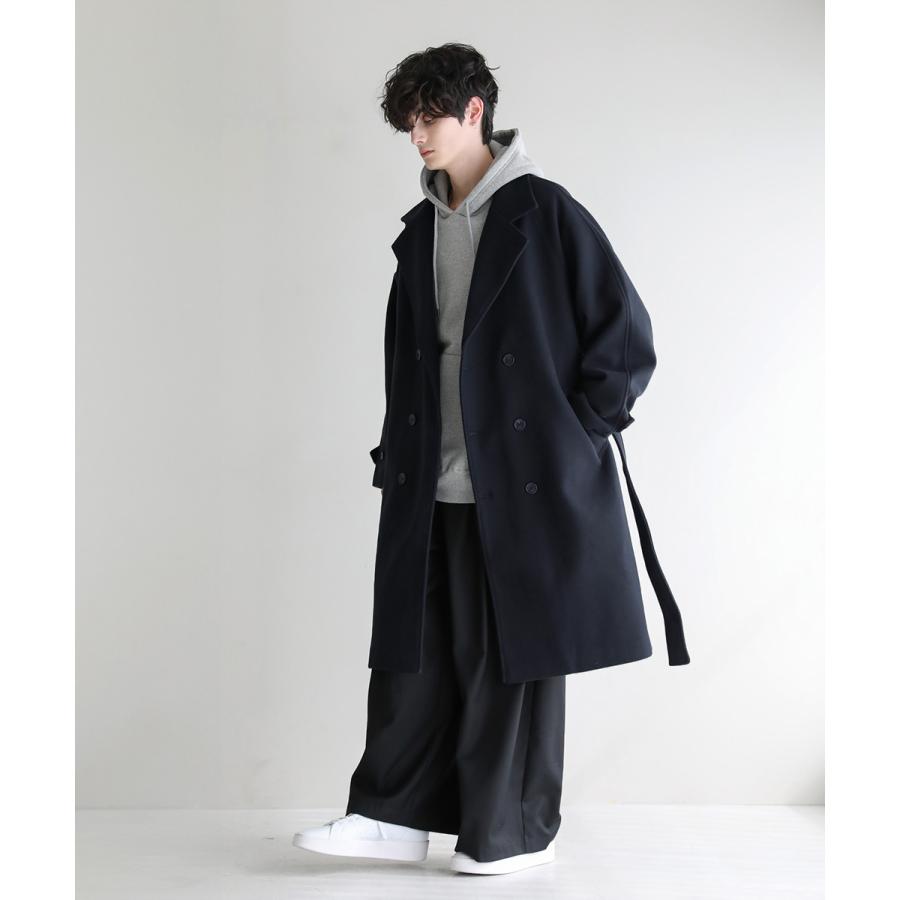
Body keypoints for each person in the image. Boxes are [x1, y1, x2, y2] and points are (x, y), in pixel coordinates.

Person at [294, 42, 689, 877]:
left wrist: (575, 432)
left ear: (474, 111)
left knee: (508, 657)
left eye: (428, 118)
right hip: (429, 476)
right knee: (412, 654)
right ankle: (390, 816)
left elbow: (625, 338)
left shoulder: (544, 211)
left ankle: (510, 831)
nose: (417, 136)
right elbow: (413, 355)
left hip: (524, 483)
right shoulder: (423, 228)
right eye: (408, 124)